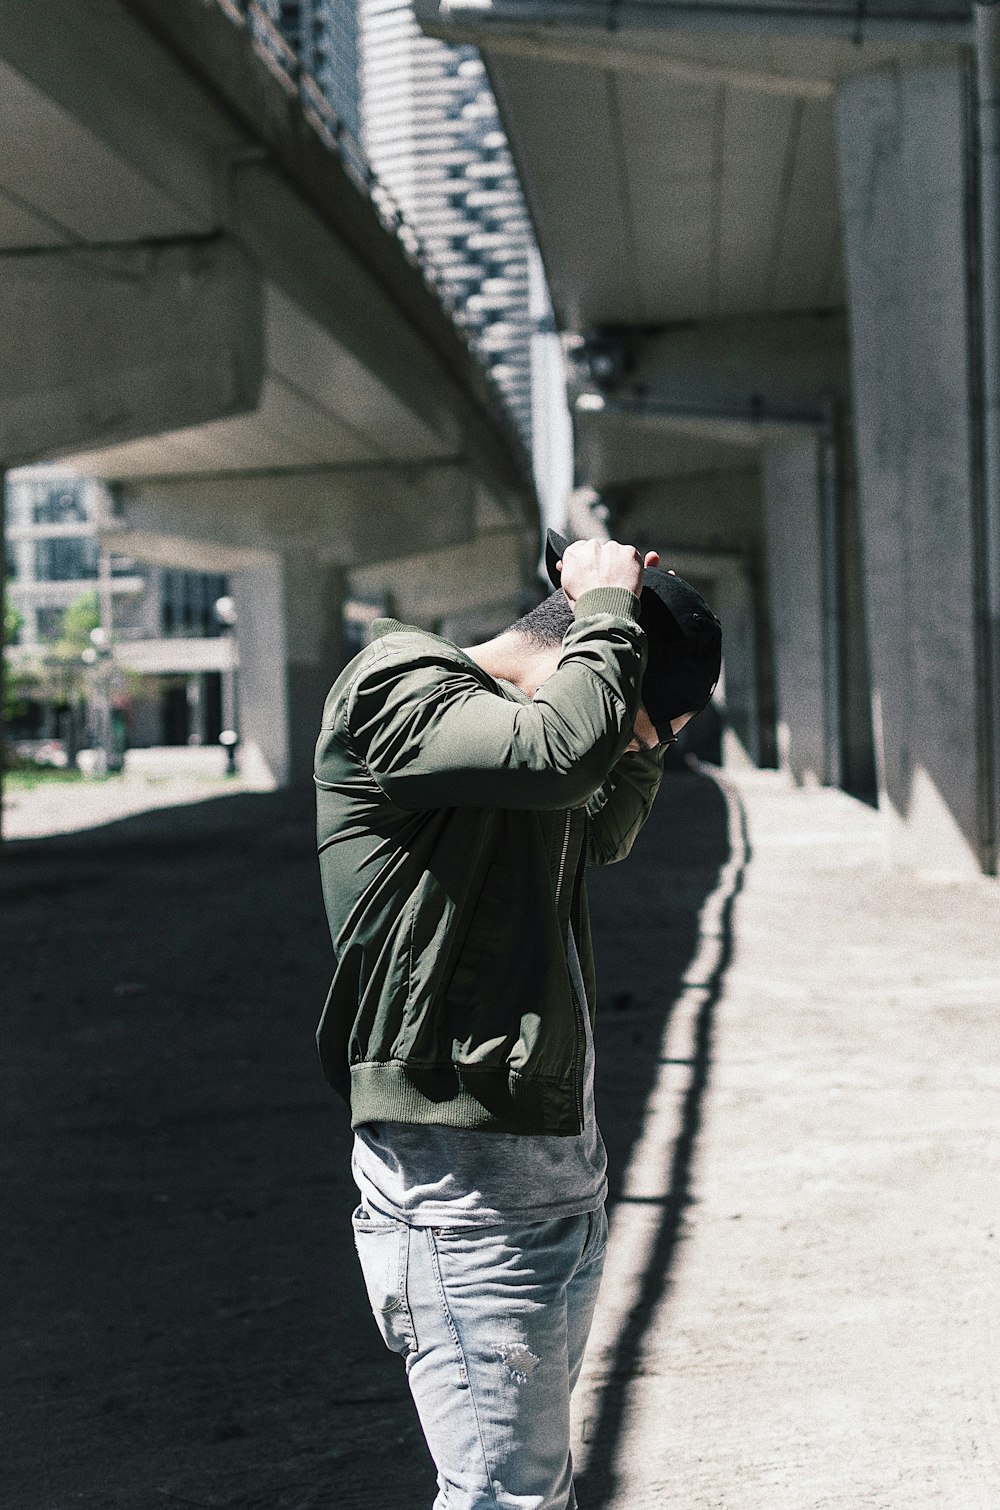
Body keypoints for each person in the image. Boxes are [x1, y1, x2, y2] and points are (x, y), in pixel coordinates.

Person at [314, 531, 722, 1510]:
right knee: (504, 1494)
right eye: (635, 732)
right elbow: (561, 754)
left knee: (532, 1486)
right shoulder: (399, 682)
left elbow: (605, 824)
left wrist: (641, 726)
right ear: (589, 658)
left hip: (554, 1177)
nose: (631, 754)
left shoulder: (534, 751)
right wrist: (611, 616)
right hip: (460, 1185)